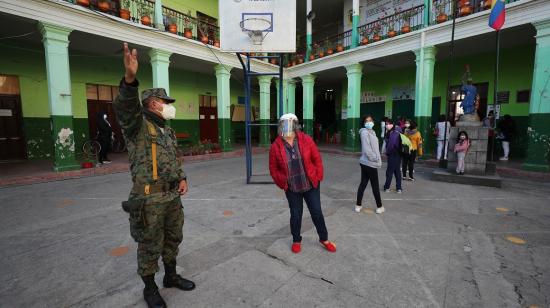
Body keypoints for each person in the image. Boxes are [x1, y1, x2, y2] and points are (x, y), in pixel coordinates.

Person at [113, 43, 194, 308]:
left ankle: (170, 276)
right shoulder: (137, 126)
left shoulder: (166, 131)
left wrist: (182, 177)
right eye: (166, 102)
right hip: (149, 199)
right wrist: (129, 80)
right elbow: (125, 108)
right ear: (153, 103)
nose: (170, 106)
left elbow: (174, 158)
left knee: (173, 238)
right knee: (149, 244)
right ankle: (150, 288)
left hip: (171, 196)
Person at [269, 113, 336, 254]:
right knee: (295, 214)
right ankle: (296, 240)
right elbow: (273, 168)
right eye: (283, 124)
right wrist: (282, 182)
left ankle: (324, 239)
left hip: (310, 185)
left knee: (317, 212)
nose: (286, 128)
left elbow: (317, 158)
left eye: (288, 124)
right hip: (292, 188)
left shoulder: (306, 140)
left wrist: (318, 176)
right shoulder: (276, 146)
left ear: (295, 125)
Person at [355, 115, 384, 214]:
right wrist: (375, 158)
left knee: (363, 183)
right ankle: (379, 206)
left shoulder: (372, 132)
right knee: (374, 186)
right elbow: (367, 150)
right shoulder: (364, 132)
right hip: (370, 163)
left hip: (366, 162)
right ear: (364, 123)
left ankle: (358, 205)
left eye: (370, 120)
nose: (369, 122)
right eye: (366, 121)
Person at [383, 119, 403, 193]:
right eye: (386, 124)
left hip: (393, 153)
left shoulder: (394, 132)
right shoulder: (397, 131)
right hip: (398, 154)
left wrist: (387, 152)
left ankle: (387, 187)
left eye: (388, 124)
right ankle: (399, 188)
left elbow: (391, 145)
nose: (387, 125)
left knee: (390, 171)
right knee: (397, 171)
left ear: (392, 124)